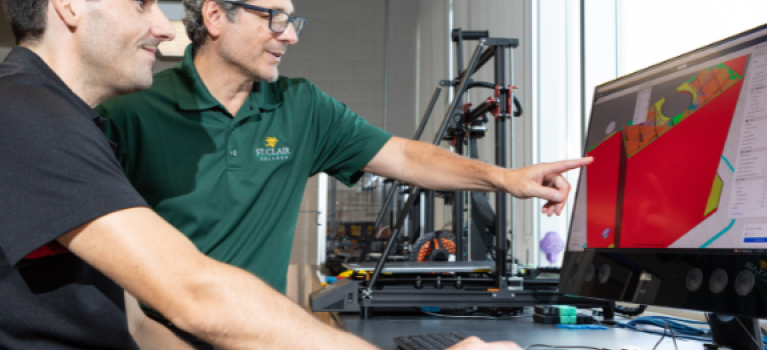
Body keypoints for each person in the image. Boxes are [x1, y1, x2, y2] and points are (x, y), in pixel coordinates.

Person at [0, 0, 528, 349]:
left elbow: (130, 318)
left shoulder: (61, 118)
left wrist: (506, 178)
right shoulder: (32, 116)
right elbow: (192, 294)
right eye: (141, 2)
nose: (162, 27)